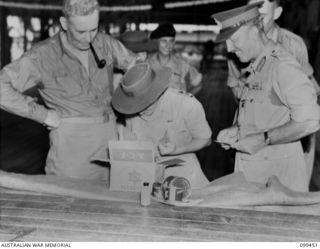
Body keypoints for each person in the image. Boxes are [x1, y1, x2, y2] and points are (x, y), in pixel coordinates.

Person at [0, 0, 138, 180]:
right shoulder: (43, 55)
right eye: (81, 31)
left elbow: (138, 67)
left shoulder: (105, 43)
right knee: (70, 202)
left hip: (110, 139)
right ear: (64, 23)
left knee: (109, 203)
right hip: (72, 144)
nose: (89, 38)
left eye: (93, 29)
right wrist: (43, 115)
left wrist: (125, 90)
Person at [213, 3, 320, 191]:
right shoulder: (258, 66)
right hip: (254, 175)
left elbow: (310, 120)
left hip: (278, 183)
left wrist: (263, 139)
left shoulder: (282, 65)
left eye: (234, 39)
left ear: (254, 31)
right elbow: (263, 113)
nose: (229, 48)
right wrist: (236, 128)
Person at [246, 0, 320, 186]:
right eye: (250, 16)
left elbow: (308, 90)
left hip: (291, 129)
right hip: (255, 129)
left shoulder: (293, 44)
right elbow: (238, 92)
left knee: (292, 187)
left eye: (261, 17)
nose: (255, 23)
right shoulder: (239, 42)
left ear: (277, 13)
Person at [111, 63, 212, 189]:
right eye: (135, 104)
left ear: (156, 91)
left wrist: (177, 149)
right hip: (146, 171)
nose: (140, 111)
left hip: (182, 168)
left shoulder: (186, 104)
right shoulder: (131, 109)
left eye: (145, 103)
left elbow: (206, 140)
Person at [148, 23, 203, 96]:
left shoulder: (181, 64)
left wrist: (185, 98)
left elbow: (198, 84)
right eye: (164, 41)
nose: (168, 45)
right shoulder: (148, 63)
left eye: (171, 41)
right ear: (156, 41)